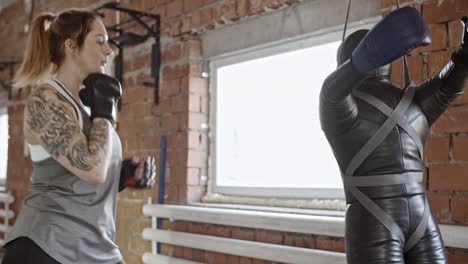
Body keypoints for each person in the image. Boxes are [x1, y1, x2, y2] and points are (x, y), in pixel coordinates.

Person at [2, 9, 156, 264]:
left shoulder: (87, 105)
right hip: (47, 246)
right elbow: (91, 169)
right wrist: (105, 112)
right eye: (99, 41)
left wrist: (125, 172)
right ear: (71, 46)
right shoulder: (46, 100)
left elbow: (86, 175)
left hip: (95, 247)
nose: (109, 50)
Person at [320, 7, 468, 264]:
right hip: (400, 216)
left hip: (377, 218)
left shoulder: (408, 102)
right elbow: (450, 82)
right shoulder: (350, 107)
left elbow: (450, 82)